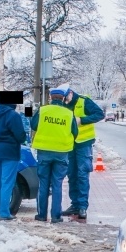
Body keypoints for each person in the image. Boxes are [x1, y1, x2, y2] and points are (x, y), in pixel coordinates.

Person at [30, 86, 78, 223]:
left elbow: (33, 125)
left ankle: (41, 215)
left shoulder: (43, 110)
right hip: (62, 154)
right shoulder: (69, 114)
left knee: (43, 183)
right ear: (63, 98)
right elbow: (75, 132)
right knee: (57, 184)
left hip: (44, 153)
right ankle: (56, 216)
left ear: (51, 97)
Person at [60, 84, 105, 220]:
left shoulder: (84, 101)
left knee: (82, 174)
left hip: (84, 144)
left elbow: (99, 114)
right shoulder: (63, 104)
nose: (65, 101)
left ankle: (82, 207)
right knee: (71, 174)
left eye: (66, 98)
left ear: (71, 93)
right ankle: (74, 204)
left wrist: (82, 120)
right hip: (70, 144)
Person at [0, 94, 27, 221]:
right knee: (7, 182)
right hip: (9, 151)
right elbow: (20, 135)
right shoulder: (13, 115)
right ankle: (4, 212)